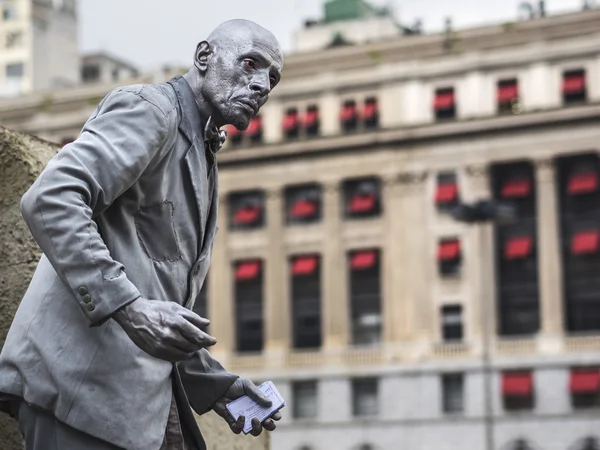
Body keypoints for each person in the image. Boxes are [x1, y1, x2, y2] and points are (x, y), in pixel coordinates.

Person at [0, 19, 284, 450]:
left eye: (272, 78)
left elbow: (157, 296)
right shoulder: (151, 109)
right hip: (80, 394)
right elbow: (51, 198)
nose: (262, 84)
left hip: (136, 406)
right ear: (204, 57)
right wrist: (129, 309)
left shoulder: (202, 153)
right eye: (250, 64)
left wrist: (216, 386)